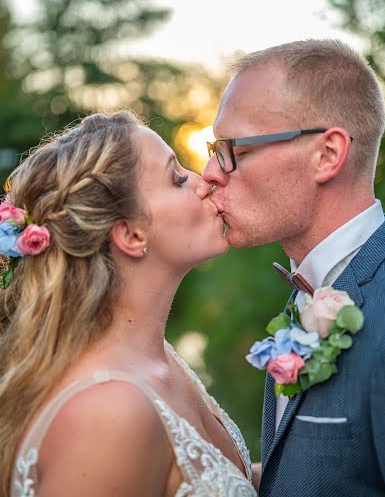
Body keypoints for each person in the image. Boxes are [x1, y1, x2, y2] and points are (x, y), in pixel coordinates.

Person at [0, 111, 259, 496]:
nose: (202, 181)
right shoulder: (107, 414)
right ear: (130, 234)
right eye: (176, 178)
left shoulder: (160, 359)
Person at [203, 39, 385, 497]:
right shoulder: (308, 288)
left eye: (236, 149)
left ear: (328, 155)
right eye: (215, 148)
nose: (211, 172)